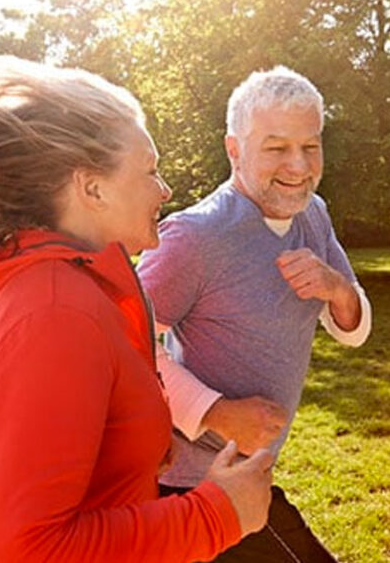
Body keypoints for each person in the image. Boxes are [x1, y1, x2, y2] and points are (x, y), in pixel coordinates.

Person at [0, 57, 274, 562]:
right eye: (149, 170)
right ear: (92, 188)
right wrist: (218, 514)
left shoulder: (78, 281)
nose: (164, 190)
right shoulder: (54, 313)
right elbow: (28, 552)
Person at [138, 66, 373, 562]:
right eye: (276, 147)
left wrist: (336, 288)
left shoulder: (313, 213)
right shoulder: (194, 236)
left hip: (249, 474)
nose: (298, 165)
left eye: (311, 146)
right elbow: (117, 345)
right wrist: (216, 412)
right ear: (234, 149)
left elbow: (350, 326)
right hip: (185, 485)